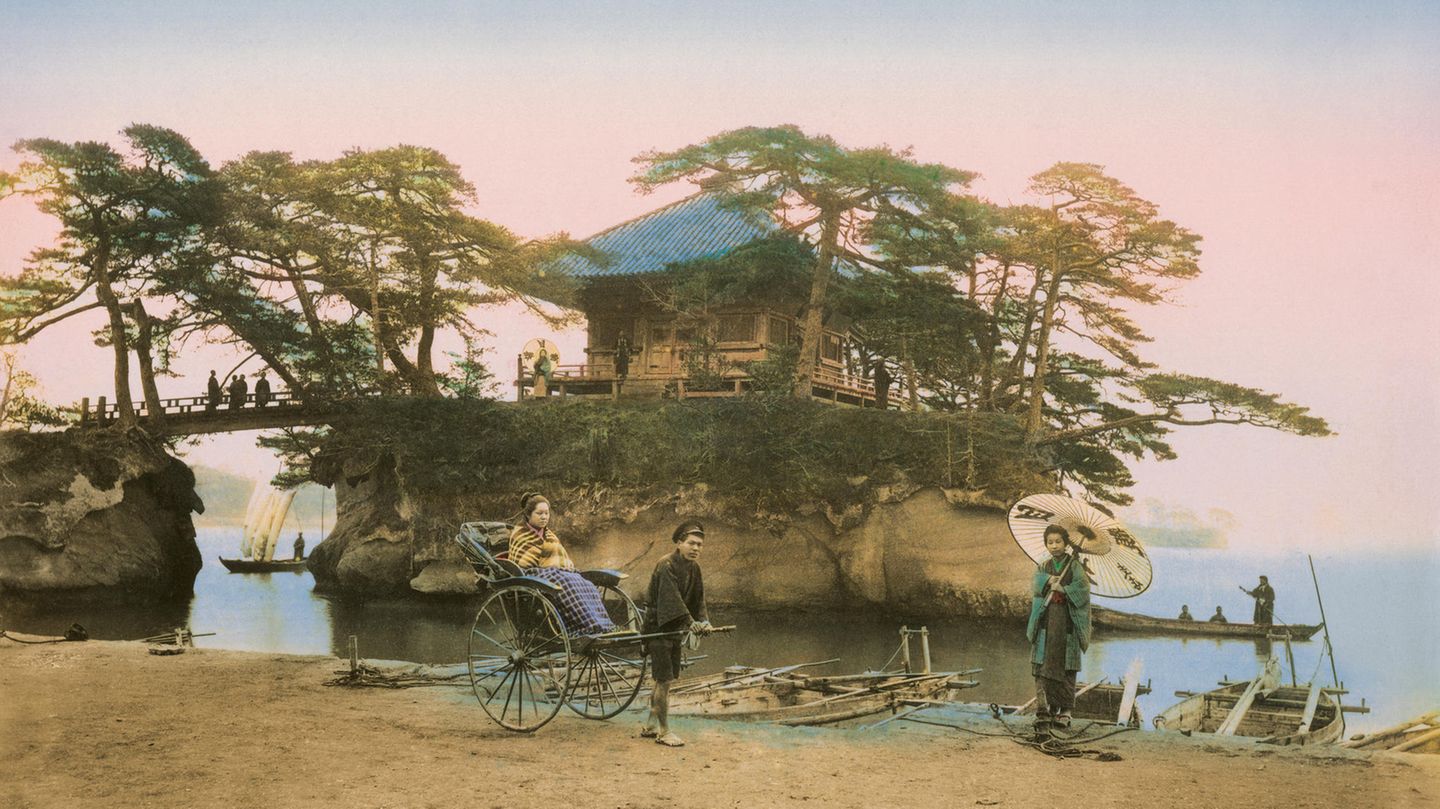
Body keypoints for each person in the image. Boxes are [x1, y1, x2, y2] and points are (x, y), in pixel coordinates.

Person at [641, 521, 711, 748]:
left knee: (665, 680)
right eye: (691, 543)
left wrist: (704, 621)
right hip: (658, 627)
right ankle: (664, 731)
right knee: (664, 681)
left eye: (699, 545)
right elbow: (671, 601)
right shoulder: (666, 564)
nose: (696, 548)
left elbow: (698, 600)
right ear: (679, 543)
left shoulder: (694, 567)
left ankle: (651, 725)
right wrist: (691, 623)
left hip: (674, 627)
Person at [507, 493, 614, 635]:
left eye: (546, 513)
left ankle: (603, 625)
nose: (544, 517)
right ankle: (586, 627)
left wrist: (560, 566)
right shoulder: (520, 533)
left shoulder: (549, 535)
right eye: (539, 513)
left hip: (553, 572)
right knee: (564, 581)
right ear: (528, 515)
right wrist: (551, 567)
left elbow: (559, 556)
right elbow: (522, 563)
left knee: (585, 582)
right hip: (531, 574)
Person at [1024, 524, 1090, 731]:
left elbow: (1083, 591)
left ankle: (1066, 711)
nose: (1054, 546)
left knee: (1067, 667)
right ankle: (1044, 710)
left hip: (1066, 623)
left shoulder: (1076, 567)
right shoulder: (1044, 566)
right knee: (1042, 665)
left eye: (1058, 541)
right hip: (1047, 620)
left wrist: (1064, 588)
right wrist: (1048, 580)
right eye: (1050, 542)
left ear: (1066, 543)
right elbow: (1036, 585)